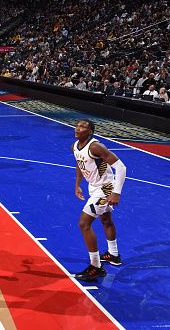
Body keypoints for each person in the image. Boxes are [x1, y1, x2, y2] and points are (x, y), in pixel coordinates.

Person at [73, 119, 126, 281]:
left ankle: (96, 267)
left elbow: (121, 167)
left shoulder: (95, 147)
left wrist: (116, 193)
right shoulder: (75, 146)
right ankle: (113, 254)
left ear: (90, 132)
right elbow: (80, 165)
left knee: (84, 223)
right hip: (94, 187)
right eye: (78, 125)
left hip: (106, 189)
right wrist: (77, 185)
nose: (78, 128)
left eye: (83, 127)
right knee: (105, 219)